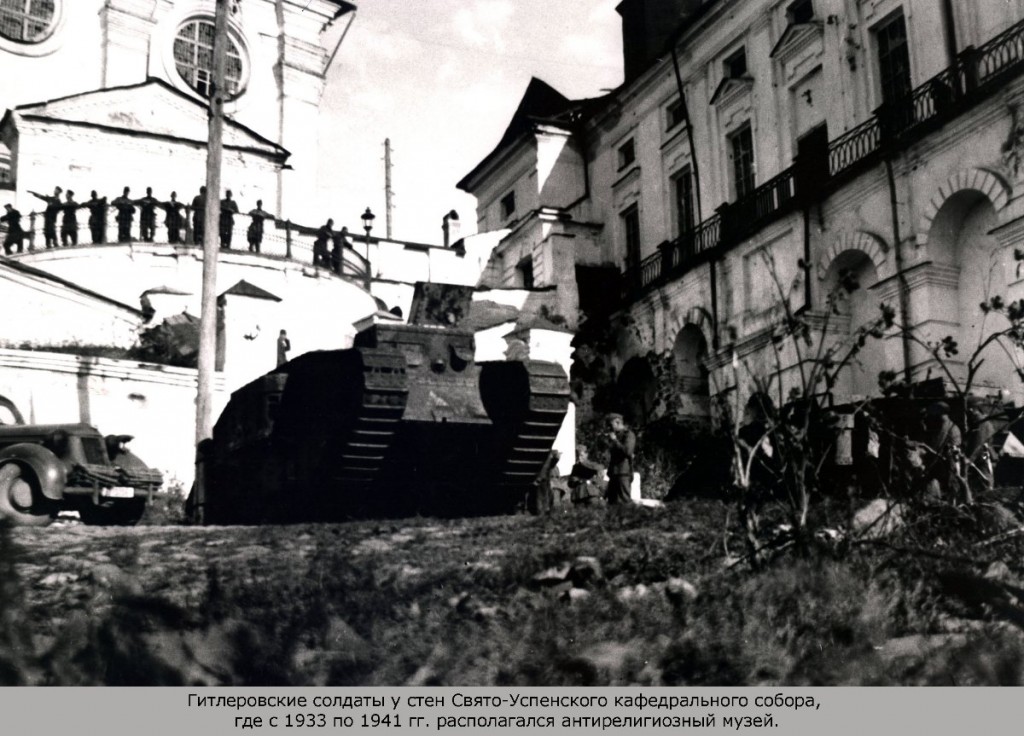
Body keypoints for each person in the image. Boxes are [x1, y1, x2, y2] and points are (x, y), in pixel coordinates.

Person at [920, 401, 966, 503]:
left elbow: (937, 446)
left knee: (950, 489)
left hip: (949, 463)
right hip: (947, 462)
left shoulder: (946, 427)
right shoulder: (948, 425)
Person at [605, 413, 636, 505]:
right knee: (612, 502)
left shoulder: (629, 434)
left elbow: (627, 451)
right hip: (613, 473)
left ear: (618, 422)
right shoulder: (616, 436)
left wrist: (615, 441)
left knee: (624, 500)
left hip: (623, 473)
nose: (610, 428)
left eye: (611, 425)